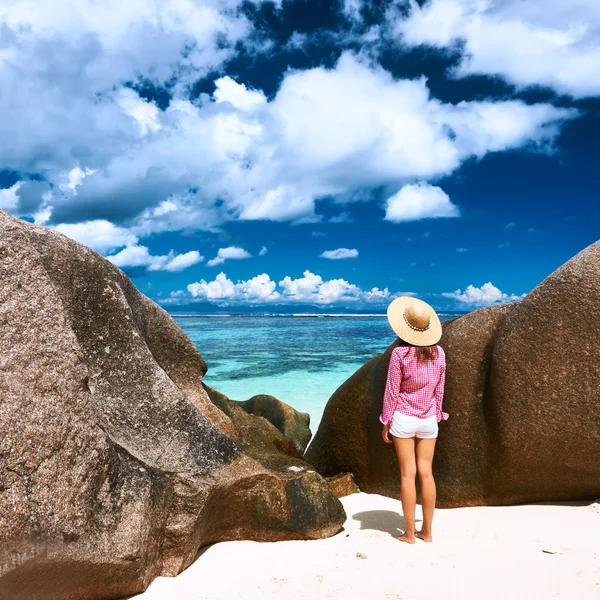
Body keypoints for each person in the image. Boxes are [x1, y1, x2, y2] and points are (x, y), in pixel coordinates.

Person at [380, 296, 448, 544]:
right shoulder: (439, 353)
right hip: (429, 419)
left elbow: (392, 390)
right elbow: (440, 389)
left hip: (404, 418)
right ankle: (427, 532)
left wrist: (386, 420)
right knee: (427, 474)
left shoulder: (400, 353)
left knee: (408, 475)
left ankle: (409, 533)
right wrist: (438, 414)